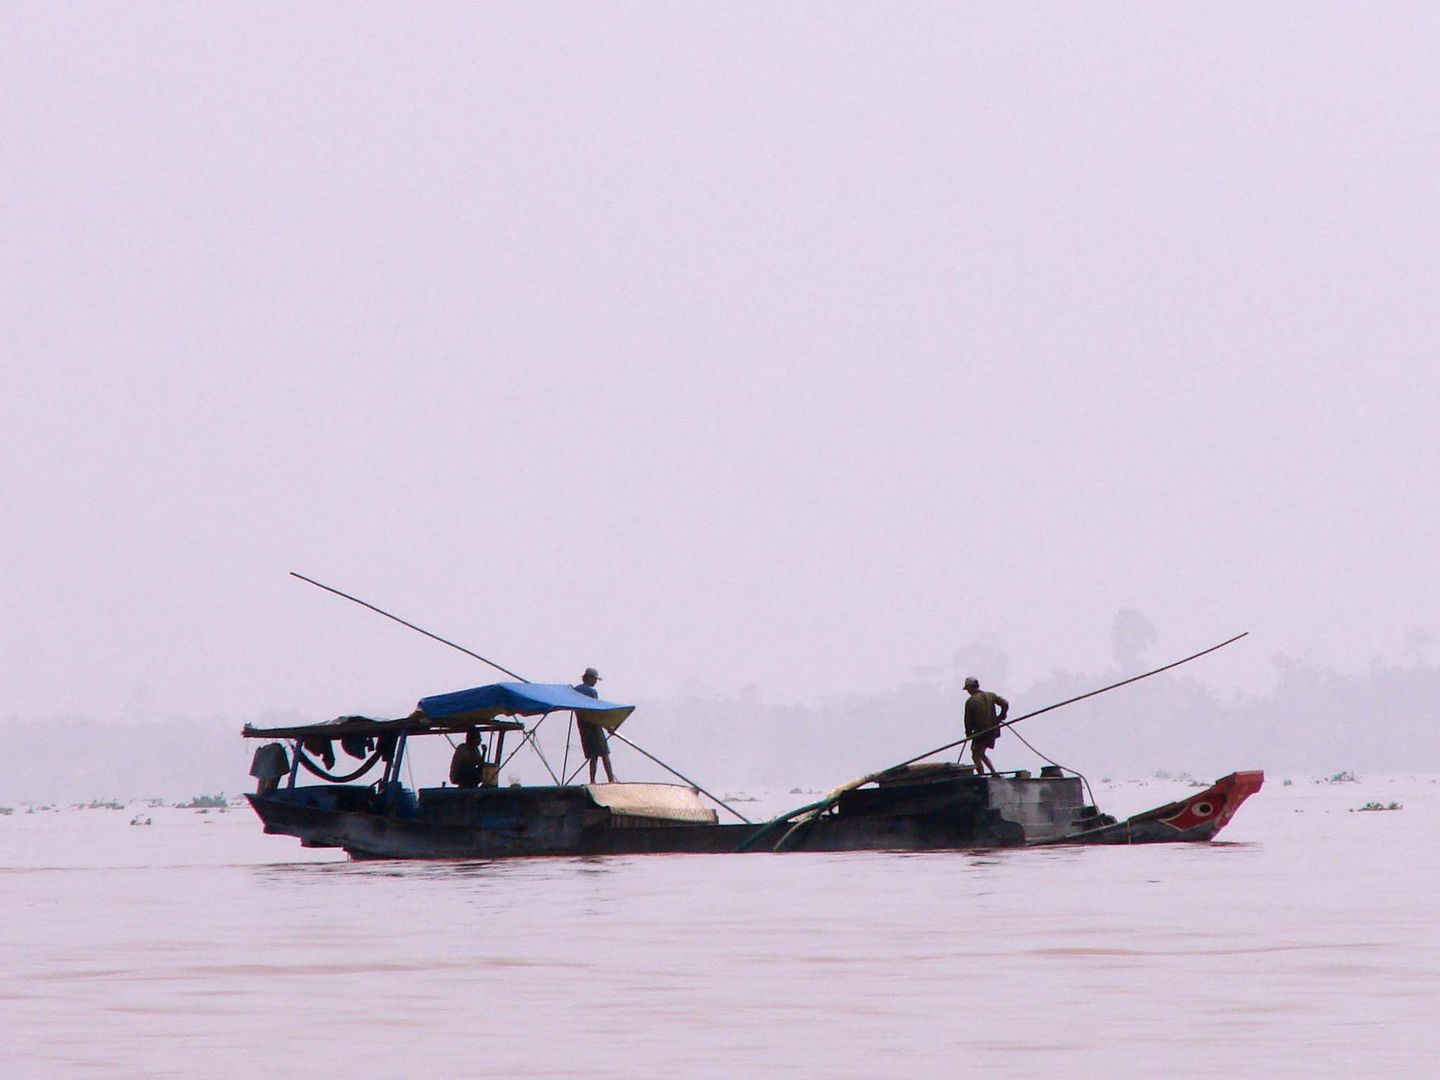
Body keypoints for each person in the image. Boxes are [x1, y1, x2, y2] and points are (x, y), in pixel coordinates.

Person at [573, 666, 617, 783]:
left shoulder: (575, 690)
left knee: (593, 756)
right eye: (595, 679)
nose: (596, 682)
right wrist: (608, 727)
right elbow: (597, 711)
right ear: (589, 678)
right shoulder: (591, 691)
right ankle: (611, 780)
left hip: (582, 726)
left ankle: (592, 781)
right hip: (594, 726)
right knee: (604, 754)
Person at [962, 676, 1009, 777]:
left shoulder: (970, 701)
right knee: (981, 753)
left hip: (981, 732)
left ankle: (981, 776)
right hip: (992, 730)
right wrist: (1002, 716)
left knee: (975, 754)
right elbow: (1005, 703)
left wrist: (968, 734)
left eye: (967, 689)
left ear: (970, 688)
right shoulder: (991, 695)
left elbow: (968, 721)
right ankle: (993, 772)